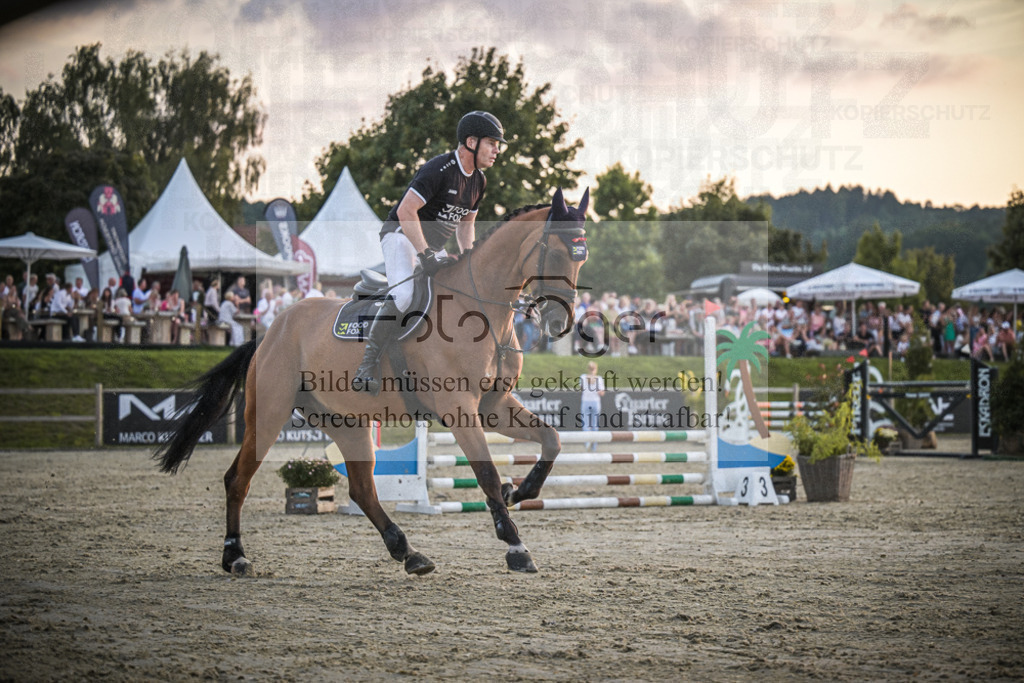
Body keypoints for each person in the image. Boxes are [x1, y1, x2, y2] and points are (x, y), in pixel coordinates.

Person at [353, 110, 506, 395]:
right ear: (471, 142)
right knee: (404, 295)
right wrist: (425, 254)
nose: (497, 149)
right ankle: (366, 365)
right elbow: (405, 210)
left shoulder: (478, 181)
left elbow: (465, 225)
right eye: (492, 143)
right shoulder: (439, 170)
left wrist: (469, 258)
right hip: (401, 236)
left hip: (432, 247)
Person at [580, 361, 605, 451]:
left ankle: (587, 443)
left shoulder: (583, 377)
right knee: (595, 425)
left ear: (588, 368)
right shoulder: (599, 379)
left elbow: (581, 389)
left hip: (586, 401)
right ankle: (594, 447)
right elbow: (601, 393)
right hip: (595, 402)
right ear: (596, 369)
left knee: (585, 424)